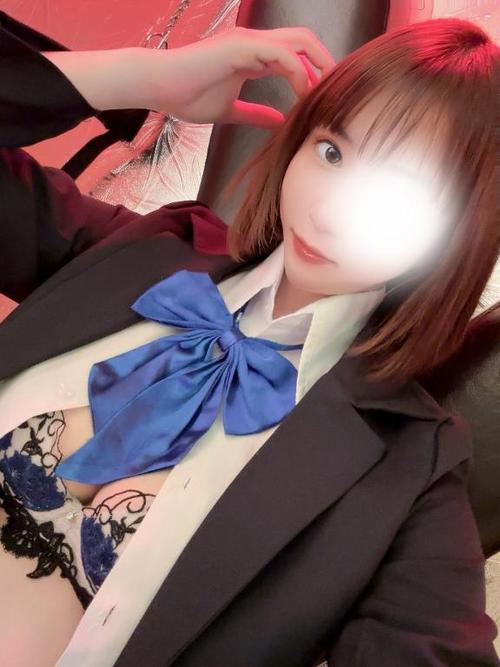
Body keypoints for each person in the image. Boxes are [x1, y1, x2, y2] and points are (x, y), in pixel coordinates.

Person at [0, 10, 498, 667]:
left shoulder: (410, 468)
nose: (327, 210)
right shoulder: (150, 248)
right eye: (331, 151)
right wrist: (142, 78)